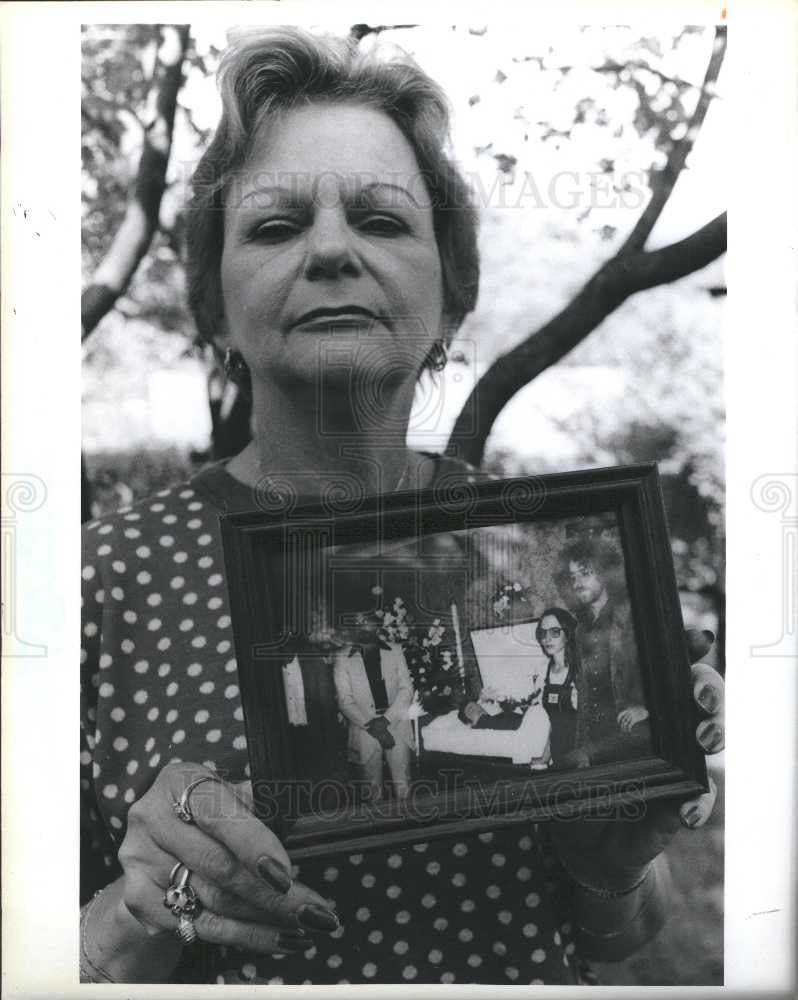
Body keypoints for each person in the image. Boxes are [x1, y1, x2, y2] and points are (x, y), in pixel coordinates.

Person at [80, 27, 725, 985]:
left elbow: (622, 933)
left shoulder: (545, 556)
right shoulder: (100, 583)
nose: (332, 248)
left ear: (452, 296)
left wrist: (608, 861)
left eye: (382, 221)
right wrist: (142, 913)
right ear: (213, 309)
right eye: (274, 225)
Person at [556, 537, 652, 767]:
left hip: (631, 738)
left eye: (585, 573)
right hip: (594, 740)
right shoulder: (580, 629)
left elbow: (666, 669)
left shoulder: (633, 620)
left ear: (604, 574)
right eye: (573, 577)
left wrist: (648, 707)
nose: (577, 583)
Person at [333, 620, 414, 803]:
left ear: (376, 625)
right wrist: (374, 727)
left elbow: (406, 690)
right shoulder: (342, 657)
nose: (362, 626)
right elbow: (345, 701)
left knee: (404, 789)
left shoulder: (395, 650)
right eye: (357, 622)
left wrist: (385, 721)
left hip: (396, 724)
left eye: (366, 621)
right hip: (364, 730)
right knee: (372, 794)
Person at [536, 608, 580, 767]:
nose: (547, 638)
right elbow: (552, 724)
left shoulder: (580, 670)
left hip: (582, 756)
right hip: (559, 756)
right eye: (543, 633)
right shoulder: (543, 672)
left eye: (555, 631)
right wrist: (545, 758)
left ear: (567, 634)